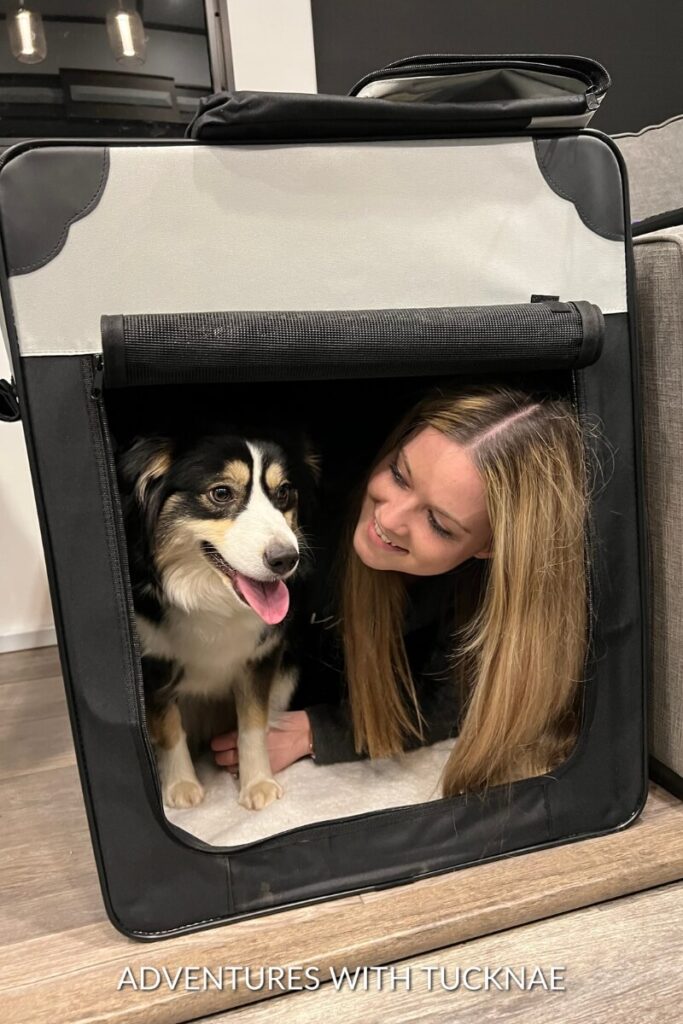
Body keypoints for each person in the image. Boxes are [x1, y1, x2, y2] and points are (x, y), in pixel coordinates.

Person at [211, 382, 590, 796]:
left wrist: (317, 731)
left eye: (439, 524)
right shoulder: (305, 510)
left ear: (489, 547)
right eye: (398, 474)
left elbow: (453, 702)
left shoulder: (472, 599)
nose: (389, 519)